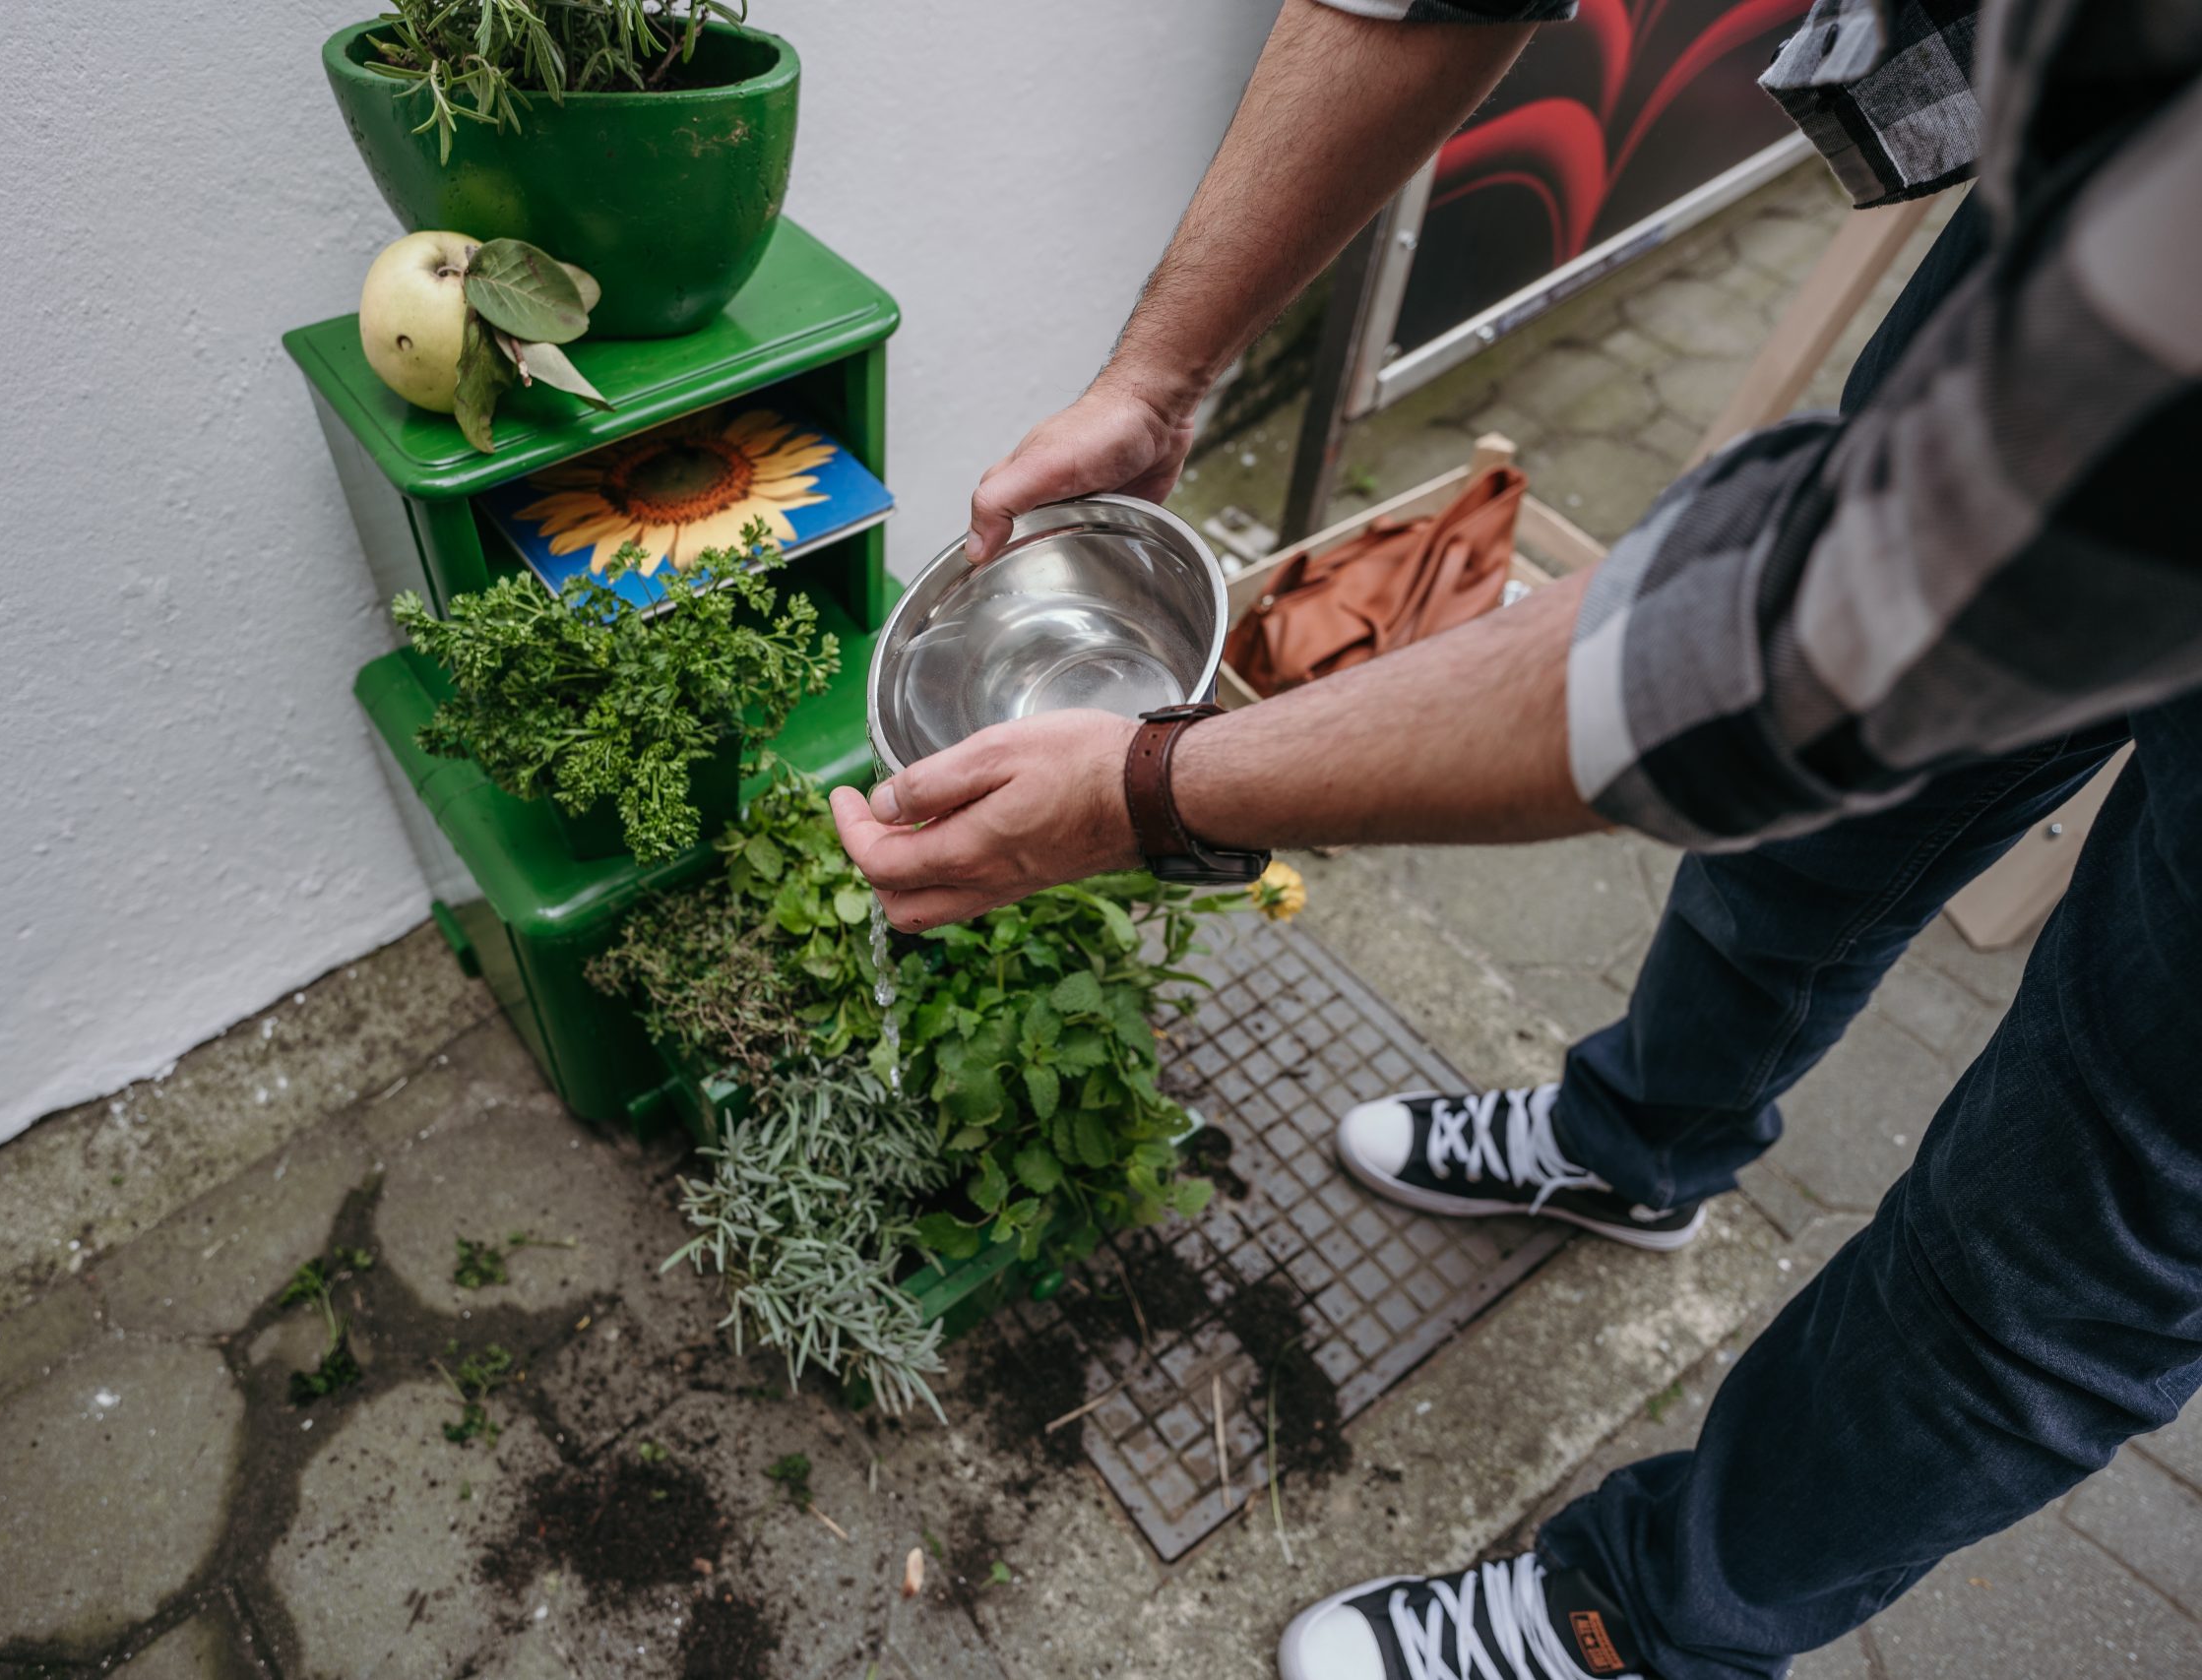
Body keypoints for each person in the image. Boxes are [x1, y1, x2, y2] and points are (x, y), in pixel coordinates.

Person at [830, 0, 2202, 1675]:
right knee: (1815, 851)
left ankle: (1647, 1628)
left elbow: (1791, 648)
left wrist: (1150, 793)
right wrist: (1153, 375)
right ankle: (1641, 1146)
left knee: (2080, 1228)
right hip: (2096, 245)